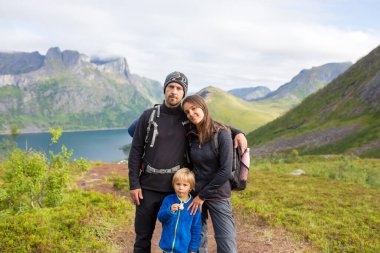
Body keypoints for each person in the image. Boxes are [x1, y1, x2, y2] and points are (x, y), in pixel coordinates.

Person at [128, 71, 247, 252]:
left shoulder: (187, 117)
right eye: (171, 87)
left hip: (178, 187)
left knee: (183, 235)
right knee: (146, 236)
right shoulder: (150, 115)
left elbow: (211, 124)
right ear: (165, 89)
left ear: (183, 93)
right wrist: (134, 182)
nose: (174, 92)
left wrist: (237, 132)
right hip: (151, 186)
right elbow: (134, 143)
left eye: (178, 88)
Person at [183, 94, 238, 253]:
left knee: (226, 243)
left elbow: (225, 171)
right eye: (187, 112)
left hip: (218, 194)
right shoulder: (191, 135)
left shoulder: (222, 134)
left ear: (203, 107)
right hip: (195, 195)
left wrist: (202, 196)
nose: (191, 114)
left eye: (194, 108)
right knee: (197, 241)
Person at [157, 168, 201, 253]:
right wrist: (169, 211)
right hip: (167, 248)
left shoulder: (194, 205)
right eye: (178, 184)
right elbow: (161, 218)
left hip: (183, 249)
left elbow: (196, 228)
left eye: (185, 185)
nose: (180, 188)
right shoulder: (168, 200)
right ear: (173, 185)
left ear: (190, 187)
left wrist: (193, 249)